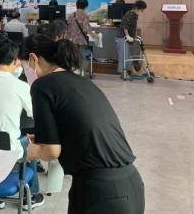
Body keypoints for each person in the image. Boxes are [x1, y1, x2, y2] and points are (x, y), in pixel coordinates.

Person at [21, 35, 144, 214]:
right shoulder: (81, 81)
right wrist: (47, 137)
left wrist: (35, 152)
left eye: (25, 66)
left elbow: (51, 152)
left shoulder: (42, 85)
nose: (26, 72)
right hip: (131, 184)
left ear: (33, 58)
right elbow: (86, 126)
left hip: (100, 191)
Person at [0, 39, 43, 210]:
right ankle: (32, 195)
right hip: (8, 153)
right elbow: (36, 115)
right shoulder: (21, 86)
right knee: (28, 142)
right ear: (16, 60)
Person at [116, 0, 148, 81]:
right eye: (141, 10)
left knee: (128, 56)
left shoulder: (134, 15)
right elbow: (125, 26)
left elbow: (132, 27)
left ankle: (133, 72)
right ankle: (123, 74)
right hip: (122, 37)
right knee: (123, 56)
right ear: (136, 8)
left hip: (126, 37)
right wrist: (127, 36)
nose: (142, 12)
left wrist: (134, 36)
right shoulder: (130, 14)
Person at [66, 0, 99, 68]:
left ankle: (72, 72)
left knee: (72, 59)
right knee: (80, 60)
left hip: (70, 41)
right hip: (80, 41)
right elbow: (86, 29)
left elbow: (68, 27)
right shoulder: (85, 15)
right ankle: (80, 73)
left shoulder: (71, 15)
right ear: (85, 7)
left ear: (76, 5)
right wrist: (94, 35)